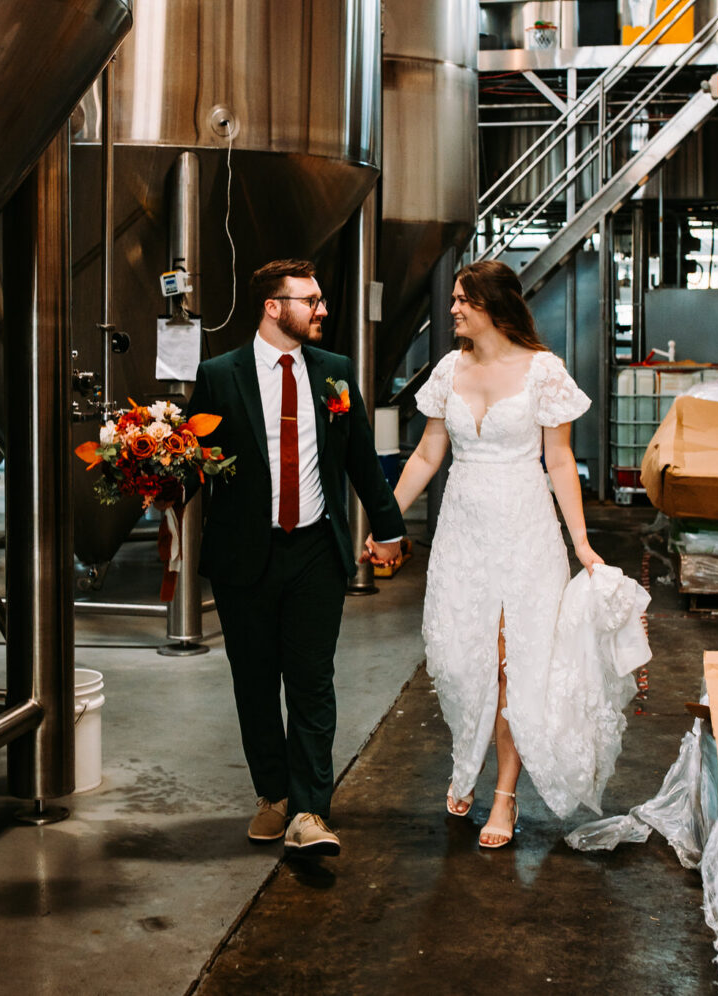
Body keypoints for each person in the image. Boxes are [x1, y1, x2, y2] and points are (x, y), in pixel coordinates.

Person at [186, 258, 405, 858]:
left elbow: (362, 455)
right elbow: (191, 461)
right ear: (273, 307)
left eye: (321, 298)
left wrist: (388, 529)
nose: (323, 310)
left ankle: (310, 810)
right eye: (310, 300)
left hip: (315, 551)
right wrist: (148, 472)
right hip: (243, 557)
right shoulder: (219, 375)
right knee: (254, 684)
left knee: (311, 683)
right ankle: (273, 797)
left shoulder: (334, 373)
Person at [388, 258, 609, 849]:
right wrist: (386, 522)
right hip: (462, 532)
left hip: (525, 530)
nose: (453, 308)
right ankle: (467, 763)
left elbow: (560, 462)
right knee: (461, 662)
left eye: (462, 299)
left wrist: (582, 543)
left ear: (490, 305)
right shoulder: (448, 370)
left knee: (514, 668)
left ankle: (505, 795)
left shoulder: (543, 371)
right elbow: (427, 456)